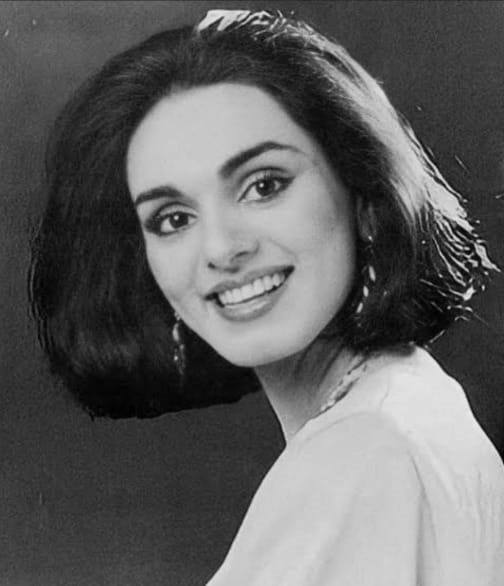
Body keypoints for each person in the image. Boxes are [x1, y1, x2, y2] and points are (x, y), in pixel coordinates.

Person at [29, 8, 504, 585]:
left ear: (363, 195)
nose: (221, 248)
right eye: (173, 218)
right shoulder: (407, 402)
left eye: (264, 185)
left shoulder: (366, 453)